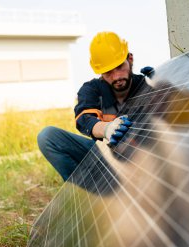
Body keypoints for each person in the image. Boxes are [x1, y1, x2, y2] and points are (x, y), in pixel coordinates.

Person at [37, 31, 154, 181]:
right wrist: (106, 129)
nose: (116, 76)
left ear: (130, 59)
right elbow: (85, 119)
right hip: (107, 159)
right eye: (108, 72)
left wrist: (164, 81)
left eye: (119, 67)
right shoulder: (92, 90)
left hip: (146, 159)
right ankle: (87, 196)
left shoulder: (148, 84)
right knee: (48, 137)